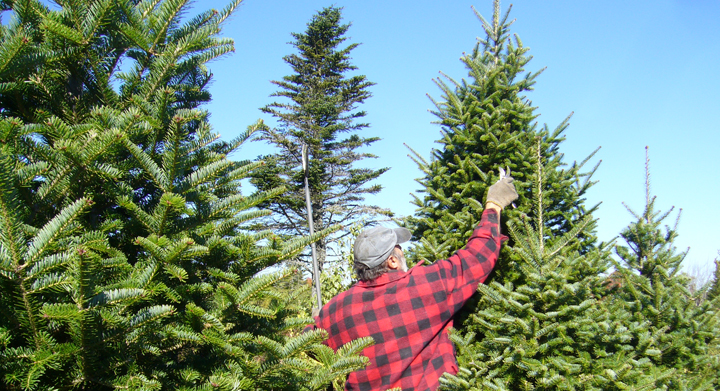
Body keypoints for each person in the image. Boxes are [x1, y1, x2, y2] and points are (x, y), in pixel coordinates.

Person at [310, 169, 519, 391]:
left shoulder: (334, 310)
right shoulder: (422, 286)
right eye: (398, 248)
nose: (403, 252)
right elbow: (476, 256)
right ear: (392, 261)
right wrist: (494, 204)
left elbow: (305, 346)